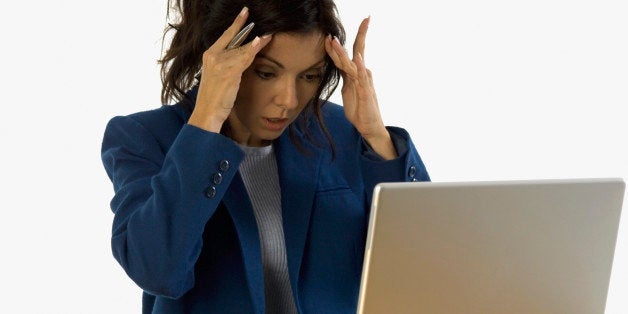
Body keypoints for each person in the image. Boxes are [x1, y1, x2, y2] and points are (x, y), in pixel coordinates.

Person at [101, 0, 430, 312]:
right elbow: (158, 271)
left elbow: (425, 267)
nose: (288, 99)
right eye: (266, 73)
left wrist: (376, 137)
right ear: (222, 61)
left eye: (309, 76)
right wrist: (206, 121)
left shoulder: (341, 131)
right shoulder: (145, 138)